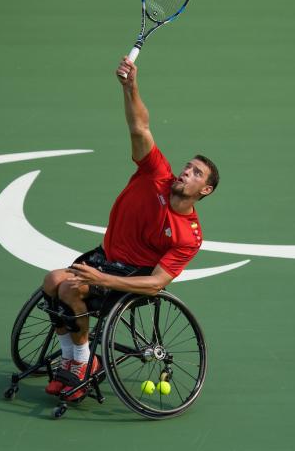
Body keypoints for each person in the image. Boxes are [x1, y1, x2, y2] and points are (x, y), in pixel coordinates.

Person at [41, 56, 220, 401]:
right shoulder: (156, 174)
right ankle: (77, 359)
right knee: (51, 281)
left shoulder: (189, 236)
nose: (186, 172)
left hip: (130, 277)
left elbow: (156, 284)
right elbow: (140, 128)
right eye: (188, 167)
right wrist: (130, 86)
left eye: (197, 173)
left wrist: (104, 280)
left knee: (68, 291)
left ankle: (79, 362)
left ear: (205, 190)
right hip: (106, 256)